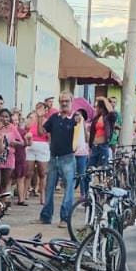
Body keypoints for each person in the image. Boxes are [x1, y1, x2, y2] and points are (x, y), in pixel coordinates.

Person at [40, 92, 79, 229]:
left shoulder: (76, 118)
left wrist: (79, 122)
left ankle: (65, 218)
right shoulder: (54, 117)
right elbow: (42, 132)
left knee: (68, 190)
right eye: (62, 101)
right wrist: (40, 117)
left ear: (71, 101)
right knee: (49, 188)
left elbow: (83, 136)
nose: (64, 103)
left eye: (66, 101)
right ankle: (46, 216)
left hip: (68, 158)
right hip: (53, 157)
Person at [25, 110, 49, 197]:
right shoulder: (30, 125)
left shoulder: (46, 123)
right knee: (28, 173)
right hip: (31, 148)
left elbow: (48, 136)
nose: (32, 119)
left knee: (42, 173)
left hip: (42, 149)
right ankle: (25, 193)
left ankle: (42, 196)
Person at [91, 97, 116, 168]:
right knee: (90, 168)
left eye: (97, 107)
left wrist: (104, 99)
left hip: (103, 146)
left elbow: (112, 113)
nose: (95, 109)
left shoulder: (108, 117)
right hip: (94, 146)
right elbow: (93, 133)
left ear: (101, 108)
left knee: (102, 168)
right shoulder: (96, 118)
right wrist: (90, 146)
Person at [73, 107, 91, 202]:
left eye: (79, 115)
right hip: (72, 152)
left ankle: (83, 193)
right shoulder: (72, 125)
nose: (78, 117)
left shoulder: (86, 125)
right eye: (76, 115)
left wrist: (83, 126)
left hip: (82, 153)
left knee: (82, 174)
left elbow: (87, 139)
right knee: (72, 174)